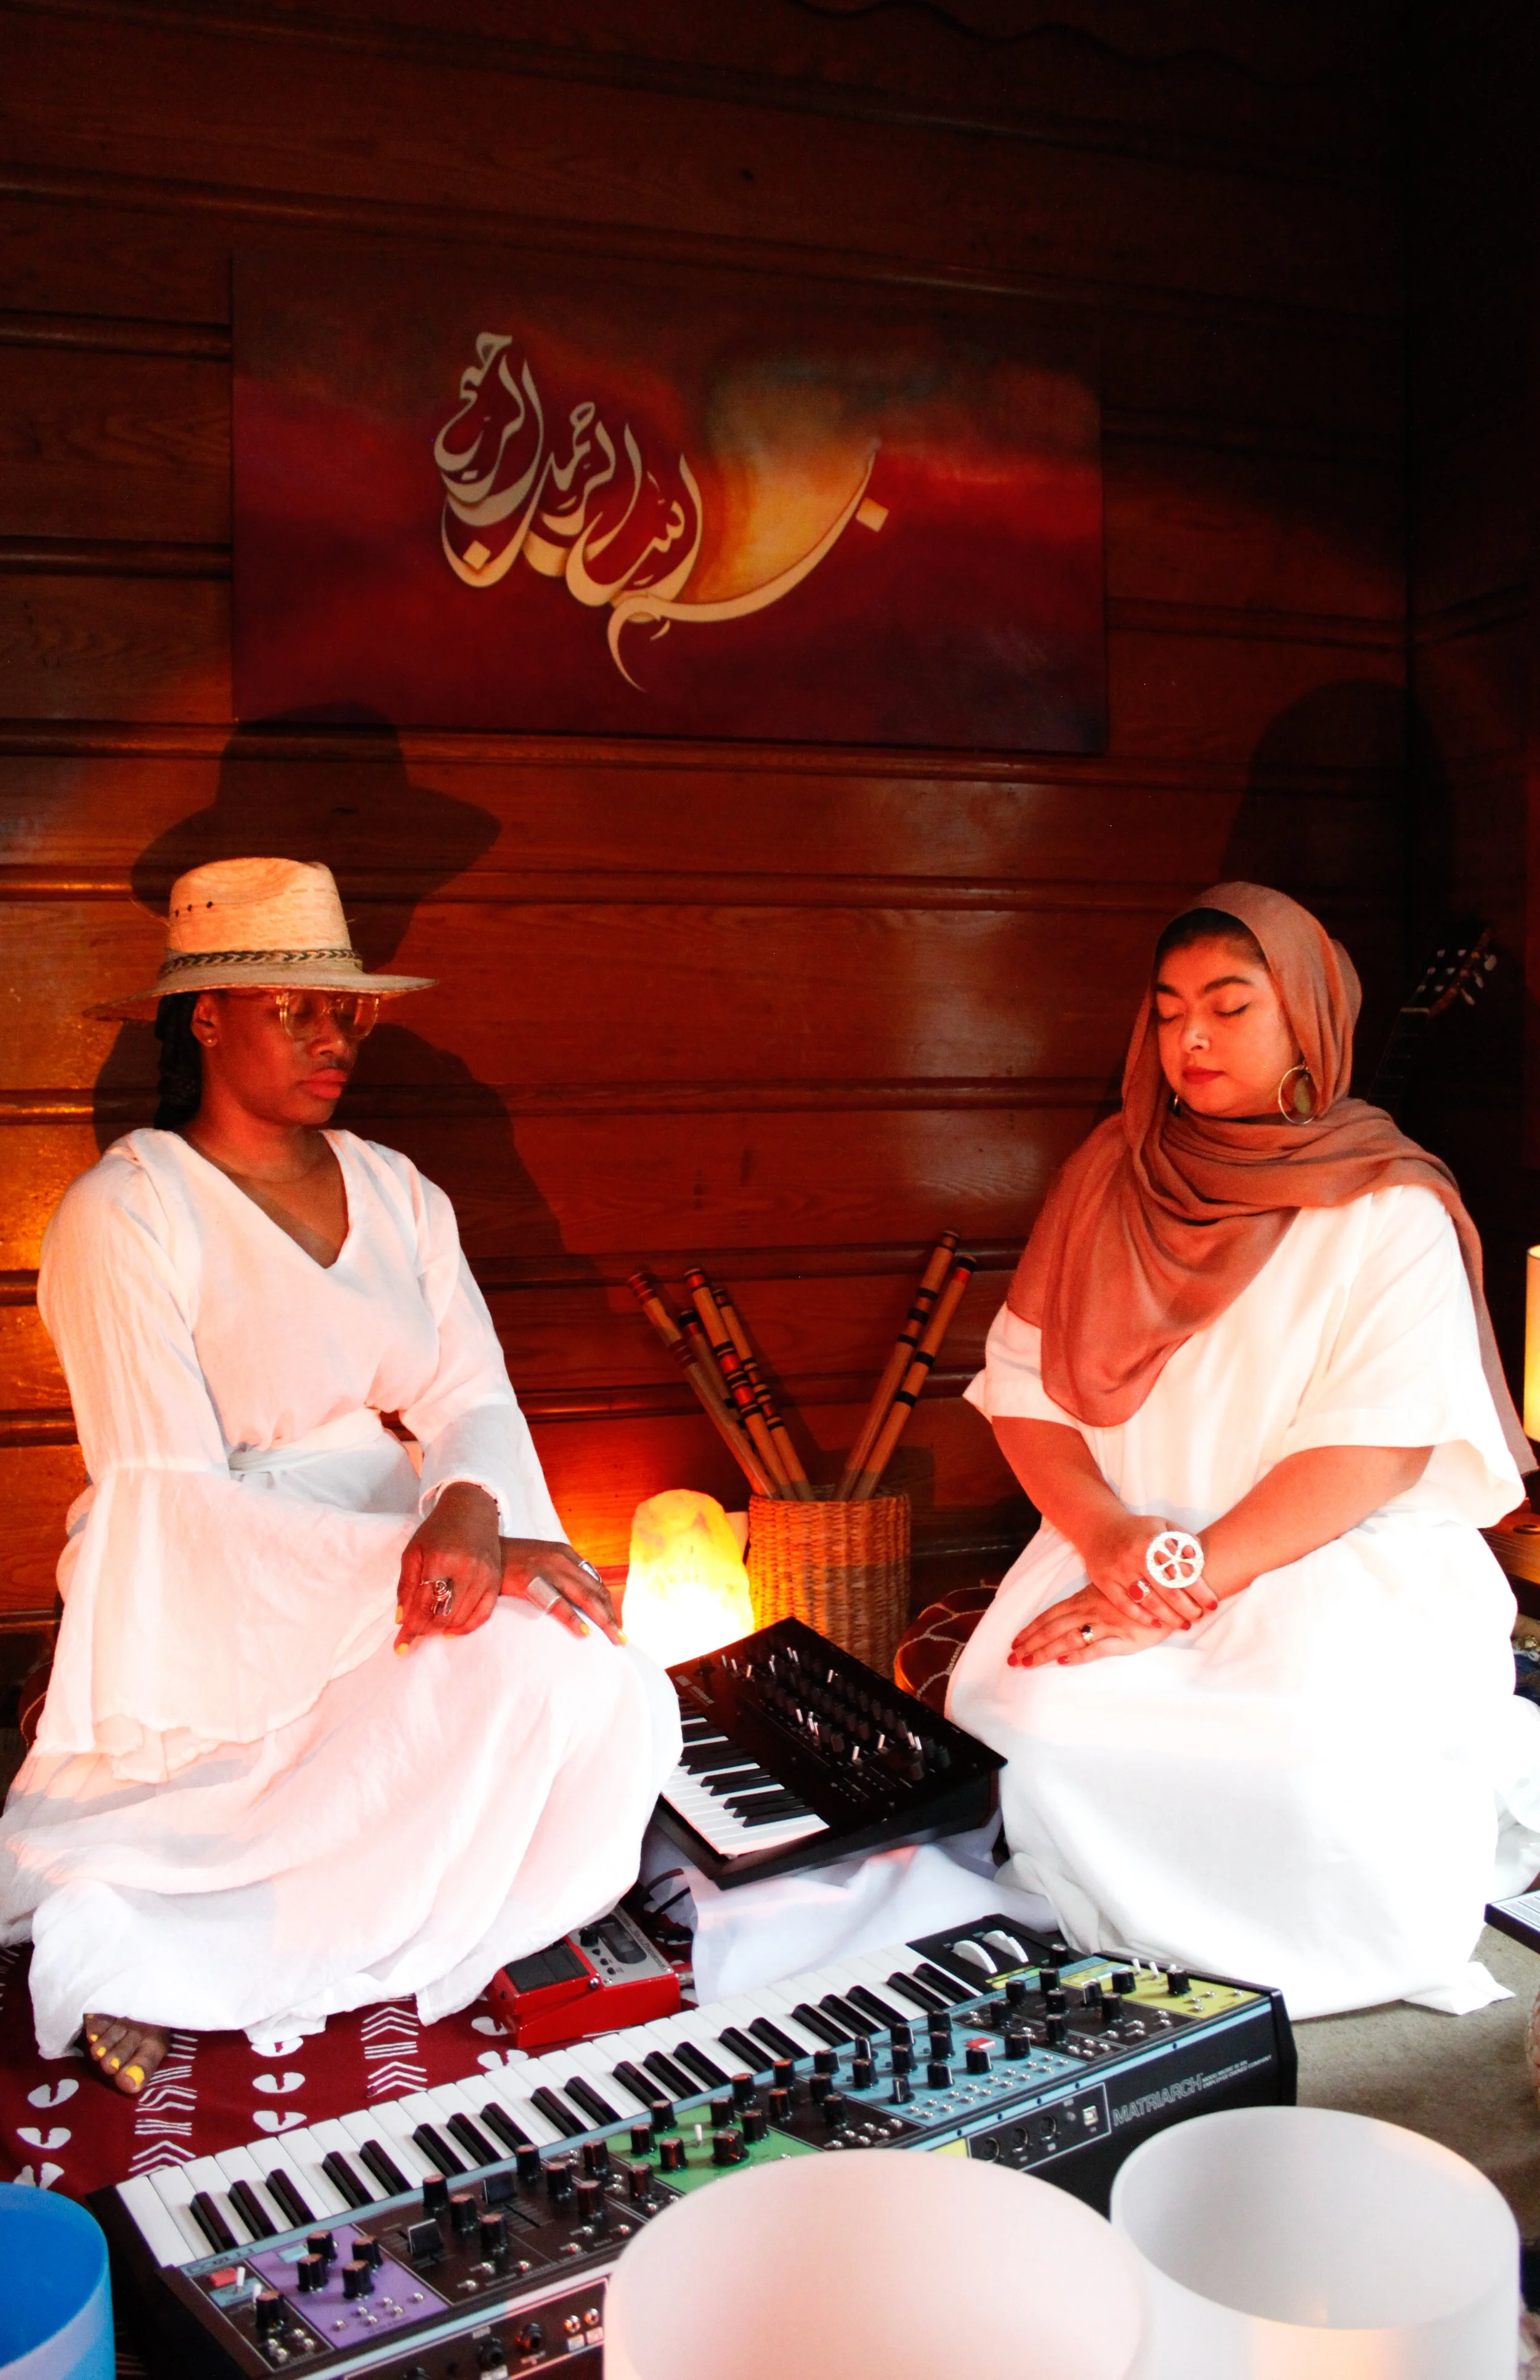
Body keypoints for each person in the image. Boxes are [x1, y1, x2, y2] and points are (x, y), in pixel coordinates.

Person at [0, 858, 680, 2091]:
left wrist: (469, 1506)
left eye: (348, 1007)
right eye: (295, 1007)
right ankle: (159, 1937)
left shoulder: (395, 1187)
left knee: (588, 1672)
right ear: (206, 1015)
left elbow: (467, 1394)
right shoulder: (127, 1211)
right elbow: (166, 1492)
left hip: (396, 1513)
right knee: (507, 1655)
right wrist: (411, 1560)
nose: (335, 1036)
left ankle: (400, 1922)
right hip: (219, 1561)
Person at [948, 880, 1540, 2018]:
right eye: (1168, 1011)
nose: (1193, 1038)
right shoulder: (1109, 1176)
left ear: (1307, 1023)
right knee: (1036, 1711)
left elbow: (1371, 1453)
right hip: (1122, 1542)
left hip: (1325, 1560)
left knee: (1311, 1764)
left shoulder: (1390, 1205)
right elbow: (1021, 1390)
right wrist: (1114, 1536)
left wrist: (1190, 1578)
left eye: (1229, 1005)